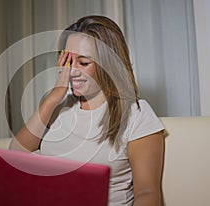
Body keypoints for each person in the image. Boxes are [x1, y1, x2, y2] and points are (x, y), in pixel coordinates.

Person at [10, 15, 164, 206]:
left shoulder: (136, 114)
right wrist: (53, 97)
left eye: (83, 63)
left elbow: (148, 193)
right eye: (68, 61)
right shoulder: (58, 107)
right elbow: (15, 155)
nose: (72, 71)